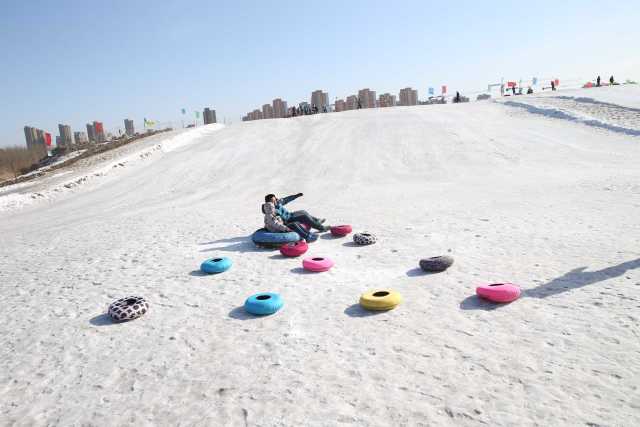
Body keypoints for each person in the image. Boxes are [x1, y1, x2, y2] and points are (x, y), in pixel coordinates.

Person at [264, 193, 328, 231]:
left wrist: (296, 195)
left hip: (290, 215)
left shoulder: (278, 202)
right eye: (272, 201)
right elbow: (274, 220)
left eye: (275, 199)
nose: (274, 201)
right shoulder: (271, 210)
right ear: (269, 203)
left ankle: (317, 221)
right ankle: (322, 228)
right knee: (304, 217)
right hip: (287, 220)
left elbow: (287, 199)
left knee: (303, 211)